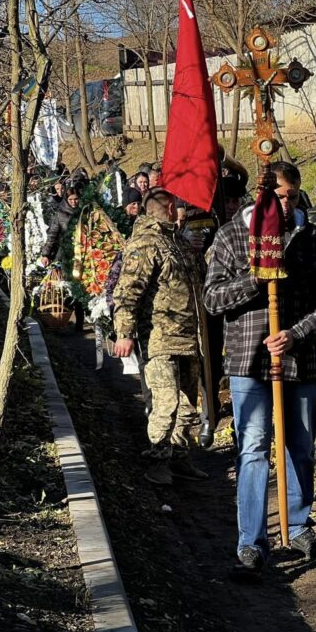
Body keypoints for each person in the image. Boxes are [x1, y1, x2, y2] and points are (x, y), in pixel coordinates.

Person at [204, 161, 316, 575]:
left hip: (299, 358)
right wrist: (254, 282)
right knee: (253, 449)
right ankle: (251, 541)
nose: (286, 204)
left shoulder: (313, 238)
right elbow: (212, 299)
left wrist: (295, 334)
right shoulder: (231, 236)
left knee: (300, 445)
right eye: (278, 196)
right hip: (249, 359)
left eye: (293, 197)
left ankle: (298, 524)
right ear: (261, 195)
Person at [112, 190, 206, 486]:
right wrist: (124, 333)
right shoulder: (145, 243)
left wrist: (198, 252)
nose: (181, 209)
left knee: (189, 401)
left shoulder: (176, 241)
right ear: (168, 207)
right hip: (160, 338)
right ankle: (158, 460)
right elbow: (127, 292)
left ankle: (179, 454)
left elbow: (195, 280)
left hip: (189, 336)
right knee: (165, 402)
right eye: (177, 205)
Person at [39, 185, 80, 267]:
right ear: (66, 199)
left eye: (76, 199)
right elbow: (52, 234)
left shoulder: (85, 210)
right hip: (66, 250)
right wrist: (45, 254)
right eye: (70, 199)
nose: (73, 202)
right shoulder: (60, 214)